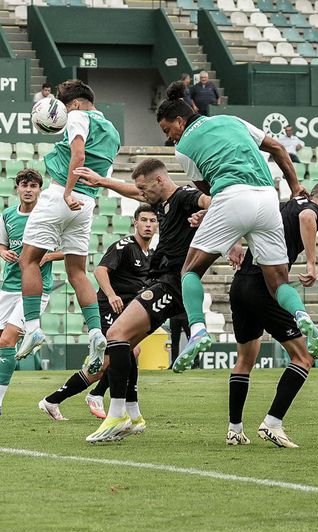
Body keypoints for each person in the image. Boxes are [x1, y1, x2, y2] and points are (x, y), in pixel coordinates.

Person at [154, 82, 318, 372]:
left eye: (168, 130)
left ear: (180, 121)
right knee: (279, 282)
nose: (169, 137)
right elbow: (279, 148)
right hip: (268, 196)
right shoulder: (231, 120)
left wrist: (218, 225)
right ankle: (301, 314)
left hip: (233, 195)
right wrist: (295, 187)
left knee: (190, 270)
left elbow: (213, 194)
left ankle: (198, 331)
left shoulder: (183, 150)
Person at [41, 159, 210, 442]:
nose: (141, 194)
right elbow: (131, 191)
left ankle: (116, 413)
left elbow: (215, 201)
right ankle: (131, 414)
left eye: (144, 188)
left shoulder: (184, 197)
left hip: (171, 283)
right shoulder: (159, 205)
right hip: (161, 283)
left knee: (117, 335)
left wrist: (206, 214)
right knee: (126, 347)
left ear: (158, 181)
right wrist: (102, 181)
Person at [224, 179, 318, 448]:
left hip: (240, 284)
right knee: (304, 357)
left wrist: (233, 242)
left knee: (245, 359)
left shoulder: (282, 205)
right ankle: (273, 423)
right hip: (265, 287)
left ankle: (234, 429)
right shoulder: (311, 210)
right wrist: (312, 264)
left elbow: (244, 219)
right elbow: (306, 217)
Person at [15, 80, 121, 375]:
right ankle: (96, 334)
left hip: (63, 193)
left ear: (73, 103)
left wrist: (66, 191)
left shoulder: (77, 116)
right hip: (87, 205)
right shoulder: (113, 131)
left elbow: (79, 156)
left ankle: (33, 327)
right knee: (77, 272)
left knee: (28, 260)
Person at [39, 205, 157, 421]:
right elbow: (100, 270)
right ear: (135, 223)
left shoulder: (151, 254)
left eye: (152, 221)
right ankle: (94, 396)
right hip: (108, 308)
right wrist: (112, 295)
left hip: (127, 312)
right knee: (117, 359)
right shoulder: (124, 246)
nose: (148, 225)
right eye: (144, 220)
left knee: (124, 356)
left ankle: (56, 399)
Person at [0, 169, 63, 420]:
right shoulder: (8, 215)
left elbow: (69, 249)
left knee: (7, 340)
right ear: (17, 188)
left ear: (40, 189)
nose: (29, 189)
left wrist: (48, 256)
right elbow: (2, 244)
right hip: (9, 286)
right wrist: (3, 253)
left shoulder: (48, 216)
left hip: (34, 289)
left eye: (33, 185)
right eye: (24, 185)